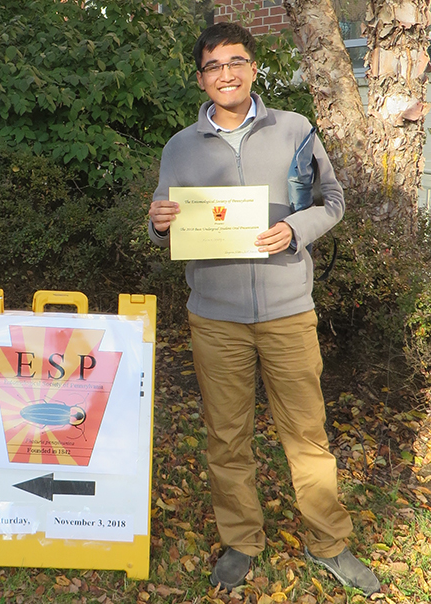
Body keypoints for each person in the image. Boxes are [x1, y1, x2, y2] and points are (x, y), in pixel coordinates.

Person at [148, 23, 380, 596]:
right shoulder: (179, 147)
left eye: (236, 62)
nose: (225, 73)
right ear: (200, 76)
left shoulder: (295, 130)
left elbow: (333, 200)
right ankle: (241, 542)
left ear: (253, 68)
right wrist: (157, 226)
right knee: (227, 436)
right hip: (215, 315)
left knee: (307, 432)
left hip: (287, 311)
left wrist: (293, 230)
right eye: (213, 65)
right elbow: (165, 223)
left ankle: (329, 542)